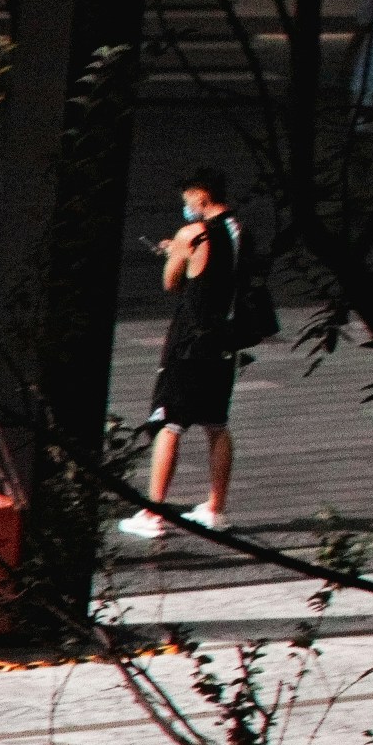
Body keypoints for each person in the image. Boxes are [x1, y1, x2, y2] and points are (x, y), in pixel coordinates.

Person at [123, 173, 250, 539]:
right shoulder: (241, 229)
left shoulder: (193, 233)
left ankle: (153, 512)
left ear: (200, 196)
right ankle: (216, 508)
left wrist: (175, 252)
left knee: (169, 422)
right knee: (217, 424)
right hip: (226, 338)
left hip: (190, 340)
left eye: (188, 198)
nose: (187, 206)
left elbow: (172, 281)